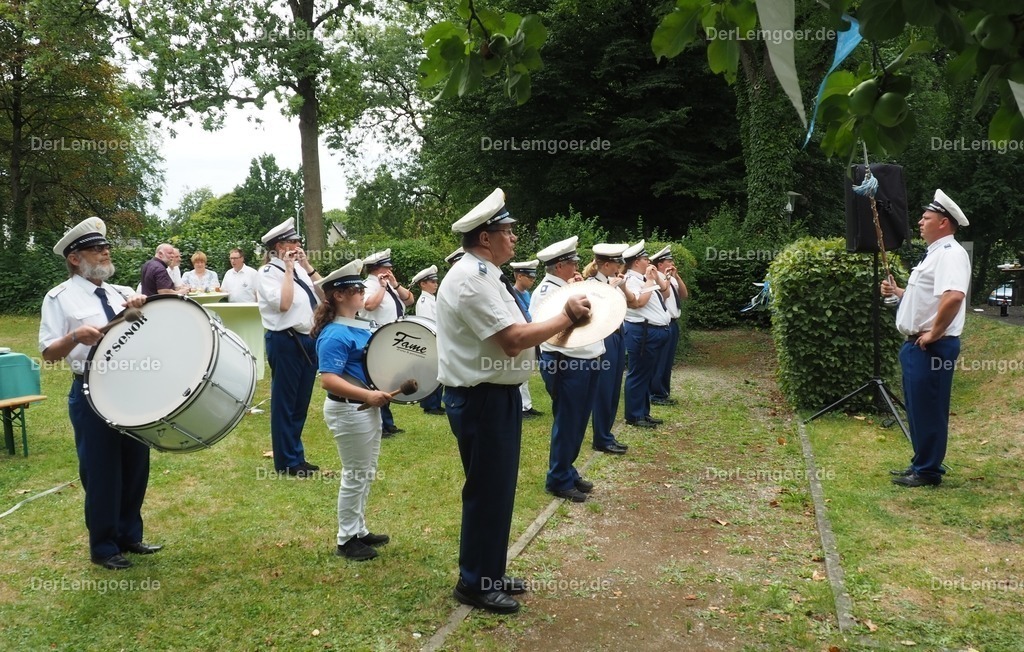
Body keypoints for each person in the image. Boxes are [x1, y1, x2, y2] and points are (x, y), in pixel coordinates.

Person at [437, 188, 591, 614]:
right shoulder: (471, 279)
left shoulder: (485, 274)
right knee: (487, 490)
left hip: (493, 396)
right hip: (481, 397)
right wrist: (568, 316)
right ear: (486, 237)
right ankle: (475, 583)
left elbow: (520, 326)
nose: (515, 238)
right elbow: (511, 340)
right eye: (508, 230)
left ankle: (490, 571)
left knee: (498, 488)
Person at [39, 217, 159, 570]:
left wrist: (140, 305)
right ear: (75, 258)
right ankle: (104, 546)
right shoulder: (60, 298)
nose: (106, 252)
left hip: (131, 388)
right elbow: (48, 353)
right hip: (93, 390)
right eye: (97, 249)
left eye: (106, 248)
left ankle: (129, 535)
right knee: (102, 469)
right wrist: (75, 337)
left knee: (135, 464)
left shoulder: (119, 292)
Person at [880, 189, 971, 488]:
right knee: (919, 408)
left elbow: (954, 296)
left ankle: (928, 471)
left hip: (931, 345)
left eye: (926, 217)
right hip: (918, 345)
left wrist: (934, 332)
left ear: (943, 223)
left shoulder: (951, 254)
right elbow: (929, 300)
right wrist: (899, 293)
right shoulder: (935, 255)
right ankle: (921, 463)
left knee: (929, 408)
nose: (920, 222)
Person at [313, 260, 393, 561]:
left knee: (366, 472)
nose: (363, 292)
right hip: (349, 410)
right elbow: (328, 380)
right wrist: (368, 396)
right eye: (357, 289)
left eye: (361, 287)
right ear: (339, 295)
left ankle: (358, 529)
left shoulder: (357, 325)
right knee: (355, 474)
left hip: (363, 407)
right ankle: (346, 539)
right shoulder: (335, 334)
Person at [530, 236, 604, 503]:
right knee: (567, 419)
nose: (577, 265)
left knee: (578, 419)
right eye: (573, 261)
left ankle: (568, 470)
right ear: (559, 265)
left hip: (584, 360)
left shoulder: (565, 287)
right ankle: (558, 478)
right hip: (567, 363)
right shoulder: (546, 292)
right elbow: (544, 331)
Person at [257, 217, 323, 477]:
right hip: (285, 340)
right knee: (285, 402)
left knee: (301, 401)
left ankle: (297, 456)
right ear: (280, 246)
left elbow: (323, 295)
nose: (299, 245)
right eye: (294, 242)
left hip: (307, 339)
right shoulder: (268, 274)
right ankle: (286, 461)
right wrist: (287, 269)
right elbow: (284, 304)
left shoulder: (300, 270)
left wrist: (305, 265)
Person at [359, 249, 415, 436]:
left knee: (387, 381)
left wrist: (395, 284)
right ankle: (381, 425)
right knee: (377, 382)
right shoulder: (367, 285)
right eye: (387, 268)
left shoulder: (390, 285)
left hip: (391, 338)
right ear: (377, 269)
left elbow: (409, 300)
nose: (390, 270)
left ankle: (388, 423)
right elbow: (369, 306)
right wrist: (382, 287)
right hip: (376, 338)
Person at [621, 240, 671, 429]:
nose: (648, 261)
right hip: (642, 332)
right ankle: (634, 415)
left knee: (647, 374)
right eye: (645, 258)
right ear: (636, 262)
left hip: (652, 331)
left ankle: (643, 411)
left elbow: (665, 293)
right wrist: (650, 281)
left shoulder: (643, 278)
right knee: (638, 373)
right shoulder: (632, 280)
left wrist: (655, 278)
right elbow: (638, 303)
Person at [586, 243, 630, 455]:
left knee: (613, 388)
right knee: (603, 390)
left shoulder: (614, 282)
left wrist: (619, 286)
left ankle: (607, 434)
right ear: (604, 264)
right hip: (603, 339)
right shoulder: (591, 284)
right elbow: (593, 311)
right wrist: (610, 288)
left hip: (617, 336)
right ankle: (601, 438)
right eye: (616, 263)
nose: (619, 267)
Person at [649, 246, 688, 406]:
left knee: (668, 360)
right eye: (669, 261)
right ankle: (656, 394)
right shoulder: (656, 279)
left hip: (673, 324)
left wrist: (677, 277)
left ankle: (663, 392)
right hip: (663, 323)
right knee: (660, 360)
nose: (672, 263)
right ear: (660, 264)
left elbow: (684, 295)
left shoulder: (670, 278)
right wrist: (665, 279)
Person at [509, 259, 543, 419]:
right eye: (530, 277)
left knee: (527, 373)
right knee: (519, 372)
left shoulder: (527, 294)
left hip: (531, 334)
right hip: (521, 334)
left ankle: (526, 405)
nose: (533, 280)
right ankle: (521, 408)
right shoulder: (511, 294)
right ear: (519, 276)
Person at [411, 264, 446, 415]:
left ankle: (436, 403)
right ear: (422, 284)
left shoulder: (432, 299)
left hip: (437, 339)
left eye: (436, 281)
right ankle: (430, 405)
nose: (435, 284)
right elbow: (428, 324)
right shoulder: (424, 302)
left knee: (437, 373)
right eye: (432, 281)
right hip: (430, 340)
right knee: (430, 374)